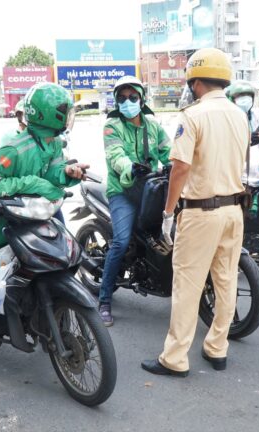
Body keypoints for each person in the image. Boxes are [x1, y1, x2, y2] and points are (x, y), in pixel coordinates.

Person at [0, 82, 89, 382]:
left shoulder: (52, 143)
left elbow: (52, 174)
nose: (69, 117)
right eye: (65, 111)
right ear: (49, 115)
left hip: (29, 224)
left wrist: (67, 173)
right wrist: (33, 184)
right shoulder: (14, 147)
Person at [142, 48, 249, 377]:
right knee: (226, 280)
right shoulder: (238, 115)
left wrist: (168, 212)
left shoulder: (193, 116)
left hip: (201, 213)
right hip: (234, 210)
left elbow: (180, 169)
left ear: (195, 82)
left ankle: (175, 358)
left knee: (187, 285)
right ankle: (217, 348)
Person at [98, 75, 171, 326]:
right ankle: (104, 300)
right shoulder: (112, 126)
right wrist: (129, 166)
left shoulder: (153, 126)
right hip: (123, 190)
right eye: (122, 98)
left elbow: (168, 150)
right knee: (119, 242)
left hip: (151, 188)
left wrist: (177, 164)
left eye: (132, 97)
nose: (127, 101)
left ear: (141, 99)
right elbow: (114, 155)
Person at [225, 80, 259, 186]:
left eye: (248, 96)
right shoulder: (227, 119)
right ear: (231, 99)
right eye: (241, 96)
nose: (245, 100)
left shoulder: (257, 117)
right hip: (240, 179)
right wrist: (247, 140)